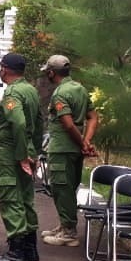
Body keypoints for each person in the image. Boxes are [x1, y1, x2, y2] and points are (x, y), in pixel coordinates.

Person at [0, 53, 43, 261]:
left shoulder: (12, 92)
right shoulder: (31, 90)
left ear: (5, 69)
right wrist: (33, 152)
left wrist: (20, 157)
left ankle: (16, 252)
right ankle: (30, 248)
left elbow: (18, 123)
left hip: (11, 154)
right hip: (26, 150)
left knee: (10, 196)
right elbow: (38, 124)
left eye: (1, 67)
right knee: (26, 196)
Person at [41, 55, 99, 247]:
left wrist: (83, 142)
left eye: (47, 72)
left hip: (62, 149)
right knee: (69, 187)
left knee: (61, 188)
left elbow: (67, 124)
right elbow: (93, 117)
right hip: (74, 150)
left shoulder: (60, 93)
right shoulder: (79, 89)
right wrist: (86, 141)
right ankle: (64, 224)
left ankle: (69, 233)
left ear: (51, 72)